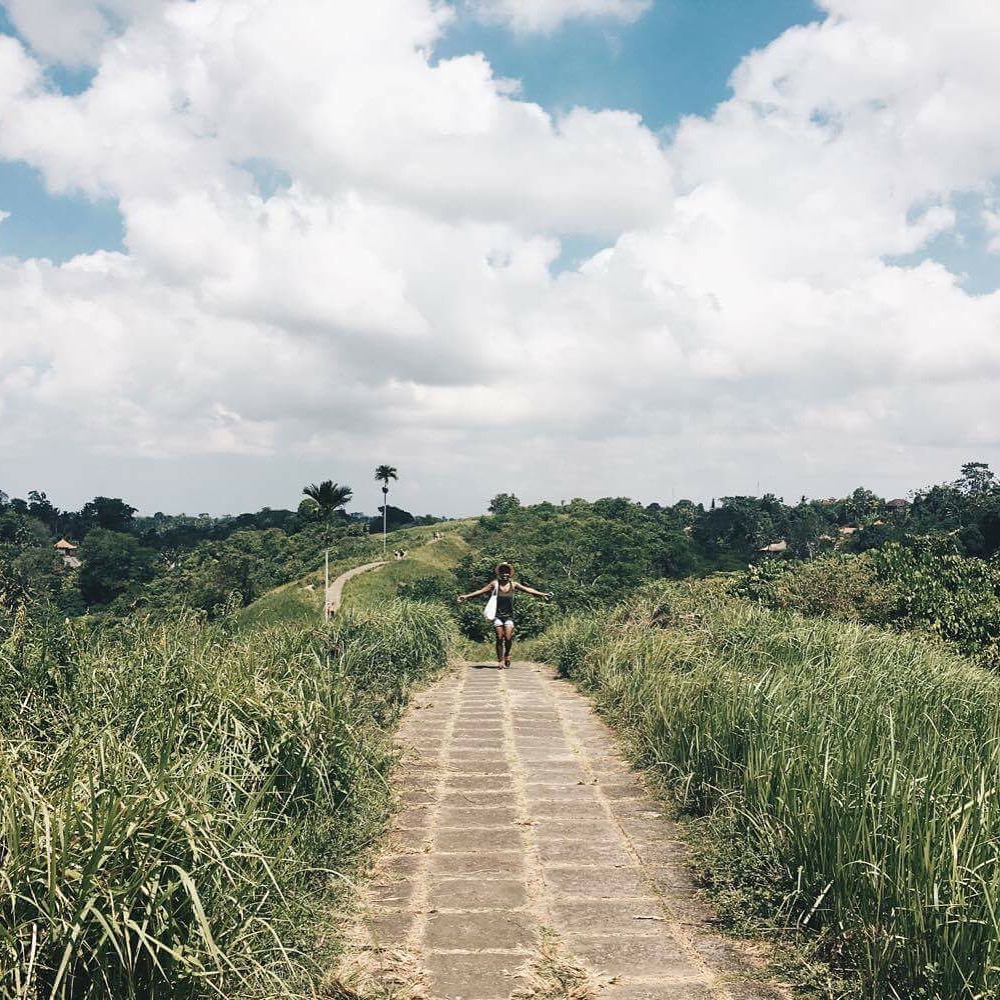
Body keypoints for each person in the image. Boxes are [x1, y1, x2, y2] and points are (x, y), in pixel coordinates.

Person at [457, 563, 551, 669]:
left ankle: (507, 654)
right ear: (499, 573)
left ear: (510, 574)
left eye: (506, 572)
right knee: (499, 637)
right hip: (497, 615)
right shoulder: (495, 584)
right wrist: (466, 596)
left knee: (508, 637)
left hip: (509, 616)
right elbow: (480, 591)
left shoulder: (514, 585)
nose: (504, 574)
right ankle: (500, 660)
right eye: (502, 572)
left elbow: (528, 590)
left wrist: (542, 594)